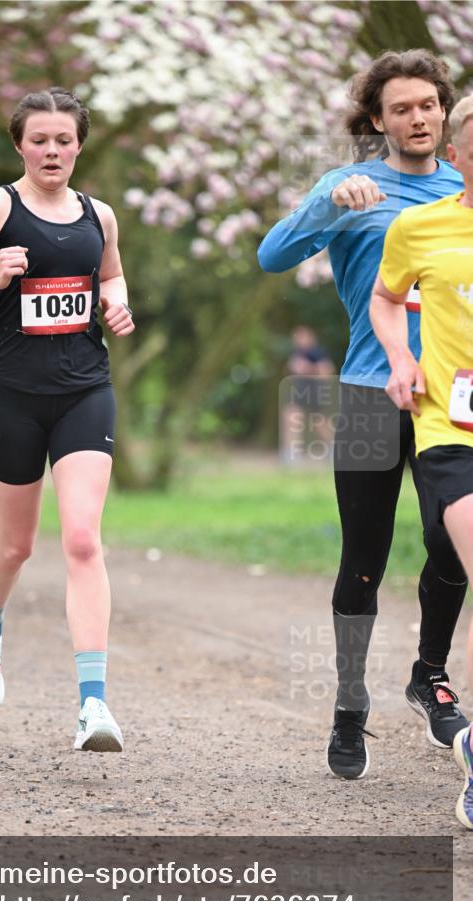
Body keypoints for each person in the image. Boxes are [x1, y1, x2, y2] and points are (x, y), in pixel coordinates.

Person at [257, 49, 469, 779]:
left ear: (444, 113)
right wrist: (323, 206)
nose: (416, 117)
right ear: (376, 120)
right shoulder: (350, 186)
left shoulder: (463, 187)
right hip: (367, 392)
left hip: (452, 400)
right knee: (364, 560)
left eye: (427, 105)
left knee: (453, 548)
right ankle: (349, 707)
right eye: (400, 108)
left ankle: (428, 674)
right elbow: (271, 255)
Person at [0, 87, 134, 752]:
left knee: (83, 541)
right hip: (6, 397)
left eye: (63, 140)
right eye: (39, 140)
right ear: (19, 145)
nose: (52, 151)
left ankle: (93, 706)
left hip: (82, 392)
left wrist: (116, 307)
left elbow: (112, 278)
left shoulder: (101, 215)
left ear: (78, 146)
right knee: (14, 547)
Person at [370, 94, 473, 828]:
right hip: (450, 426)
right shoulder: (421, 224)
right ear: (459, 152)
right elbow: (384, 297)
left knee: (446, 554)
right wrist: (400, 356)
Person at [281, 325, 335, 464]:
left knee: (319, 422)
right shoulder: (297, 353)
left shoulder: (317, 352)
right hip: (299, 391)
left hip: (314, 391)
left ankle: (334, 448)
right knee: (291, 417)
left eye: (301, 336)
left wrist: (307, 368)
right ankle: (291, 453)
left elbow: (327, 371)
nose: (298, 340)